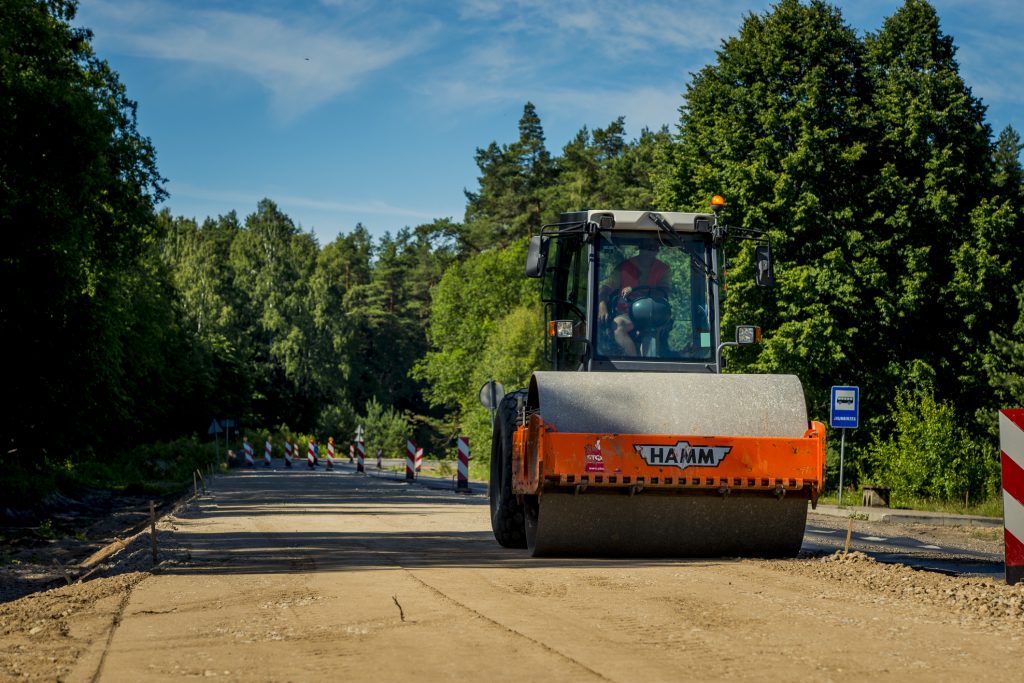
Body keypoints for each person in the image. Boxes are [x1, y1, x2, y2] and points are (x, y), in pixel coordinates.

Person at [597, 240, 672, 356]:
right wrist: (602, 304)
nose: (648, 251)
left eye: (652, 248)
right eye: (645, 248)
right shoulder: (625, 267)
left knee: (655, 327)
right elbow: (605, 288)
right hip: (627, 313)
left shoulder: (663, 269)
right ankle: (634, 361)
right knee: (617, 325)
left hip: (653, 313)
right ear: (640, 248)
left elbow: (665, 291)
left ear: (657, 250)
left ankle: (652, 360)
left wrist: (641, 292)